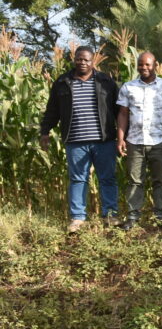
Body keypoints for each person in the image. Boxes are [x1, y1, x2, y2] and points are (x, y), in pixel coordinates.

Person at [40, 46, 121, 232]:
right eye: (79, 59)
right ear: (74, 59)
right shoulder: (63, 82)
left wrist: (123, 136)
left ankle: (110, 215)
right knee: (78, 179)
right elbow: (53, 110)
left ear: (93, 61)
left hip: (104, 140)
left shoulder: (105, 81)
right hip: (75, 140)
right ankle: (77, 218)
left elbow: (118, 110)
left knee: (107, 178)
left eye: (86, 60)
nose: (82, 62)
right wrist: (45, 131)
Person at [115, 51, 162, 229]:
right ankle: (133, 217)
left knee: (160, 180)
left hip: (159, 140)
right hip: (134, 141)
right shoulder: (128, 87)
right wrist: (121, 139)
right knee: (134, 180)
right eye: (141, 64)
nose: (144, 68)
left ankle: (160, 216)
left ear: (155, 65)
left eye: (147, 65)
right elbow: (122, 114)